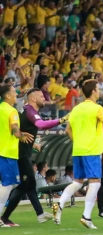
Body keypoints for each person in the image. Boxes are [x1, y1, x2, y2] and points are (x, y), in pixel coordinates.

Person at [52, 79, 103, 229]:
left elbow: (68, 129)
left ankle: (59, 203)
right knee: (96, 182)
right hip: (92, 150)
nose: (99, 91)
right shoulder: (97, 109)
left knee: (78, 181)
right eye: (98, 89)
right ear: (93, 91)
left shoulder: (76, 109)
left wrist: (79, 141)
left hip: (78, 150)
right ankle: (86, 217)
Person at [1, 88, 69, 227]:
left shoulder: (24, 110)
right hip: (17, 154)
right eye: (41, 96)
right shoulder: (30, 112)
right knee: (21, 184)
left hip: (19, 152)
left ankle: (39, 214)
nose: (44, 98)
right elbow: (40, 125)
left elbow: (24, 130)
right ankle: (5, 217)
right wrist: (61, 119)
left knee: (27, 184)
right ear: (32, 99)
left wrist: (34, 143)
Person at [0, 84, 33, 227]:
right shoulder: (11, 111)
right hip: (7, 152)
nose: (16, 94)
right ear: (7, 96)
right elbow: (14, 130)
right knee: (8, 185)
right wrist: (21, 135)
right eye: (14, 92)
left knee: (8, 184)